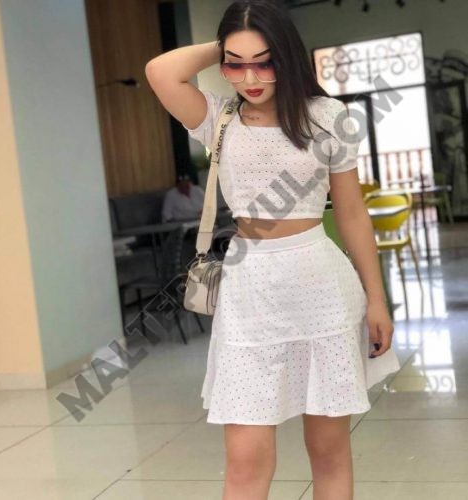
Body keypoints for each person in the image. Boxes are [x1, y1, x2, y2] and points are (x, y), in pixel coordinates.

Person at [145, 1, 401, 499]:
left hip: (323, 289)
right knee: (245, 461)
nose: (250, 78)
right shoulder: (217, 118)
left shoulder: (328, 116)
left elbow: (351, 213)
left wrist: (376, 299)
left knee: (328, 452)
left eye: (264, 62)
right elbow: (160, 71)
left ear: (285, 55)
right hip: (250, 291)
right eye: (235, 65)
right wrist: (227, 43)